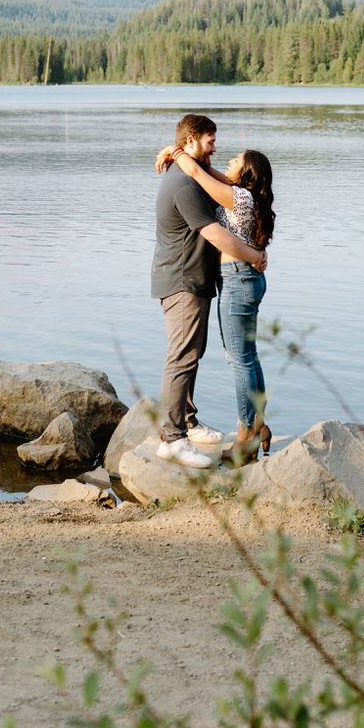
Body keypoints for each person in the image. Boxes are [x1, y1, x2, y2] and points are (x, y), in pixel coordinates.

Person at [151, 113, 268, 469]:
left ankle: (242, 428)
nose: (218, 150)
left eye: (223, 149)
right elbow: (212, 229)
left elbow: (205, 174)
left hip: (232, 278)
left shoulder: (234, 193)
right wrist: (254, 256)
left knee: (236, 358)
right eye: (211, 142)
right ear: (192, 141)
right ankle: (176, 435)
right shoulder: (191, 184)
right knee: (203, 355)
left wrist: (179, 152)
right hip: (200, 278)